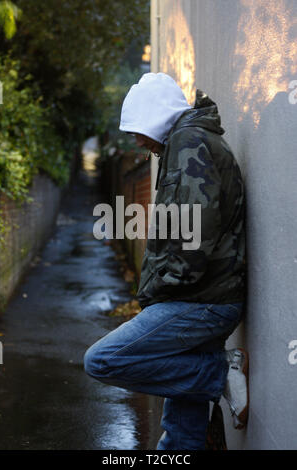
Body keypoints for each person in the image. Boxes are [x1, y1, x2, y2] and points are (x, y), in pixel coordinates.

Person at [84, 72, 248, 450]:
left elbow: (194, 234)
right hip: (204, 296)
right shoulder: (186, 142)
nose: (137, 141)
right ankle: (213, 376)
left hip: (201, 301)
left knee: (103, 361)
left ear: (157, 117)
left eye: (138, 130)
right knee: (181, 435)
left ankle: (220, 371)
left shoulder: (190, 143)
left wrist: (161, 289)